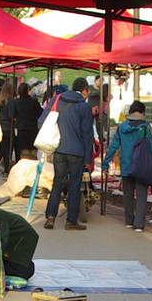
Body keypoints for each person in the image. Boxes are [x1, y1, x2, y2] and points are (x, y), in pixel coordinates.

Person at [42, 78, 96, 230]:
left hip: (59, 149)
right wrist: (88, 158)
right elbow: (87, 134)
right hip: (77, 152)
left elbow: (43, 120)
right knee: (74, 186)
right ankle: (71, 221)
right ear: (84, 90)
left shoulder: (58, 100)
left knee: (57, 183)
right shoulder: (84, 107)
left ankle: (50, 217)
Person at [102, 100, 152, 231]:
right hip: (142, 166)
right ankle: (138, 225)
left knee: (128, 195)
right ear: (143, 112)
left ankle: (128, 221)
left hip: (126, 166)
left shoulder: (122, 127)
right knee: (142, 196)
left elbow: (113, 146)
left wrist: (105, 164)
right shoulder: (145, 127)